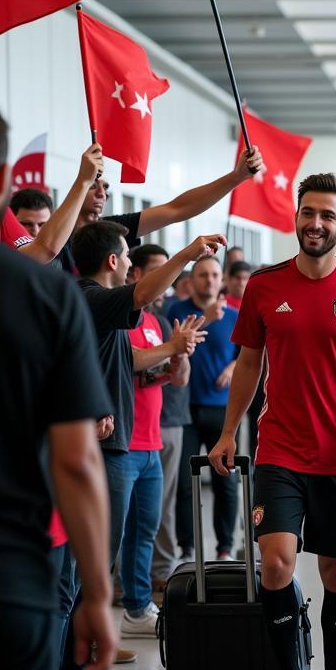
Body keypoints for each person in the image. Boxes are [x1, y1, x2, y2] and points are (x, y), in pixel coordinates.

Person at [0, 92, 116, 670]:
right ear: (0, 183)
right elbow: (78, 461)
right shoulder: (43, 294)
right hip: (5, 582)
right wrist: (98, 593)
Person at [208, 173, 336, 670]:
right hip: (279, 451)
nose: (315, 223)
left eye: (327, 216)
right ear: (296, 215)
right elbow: (248, 365)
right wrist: (227, 432)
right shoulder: (264, 287)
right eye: (307, 212)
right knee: (277, 563)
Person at [70, 223, 213, 660]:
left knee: (132, 536)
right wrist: (189, 252)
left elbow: (124, 363)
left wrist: (173, 355)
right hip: (111, 447)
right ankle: (78, 652)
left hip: (130, 438)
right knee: (97, 552)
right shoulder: (90, 296)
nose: (132, 265)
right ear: (113, 260)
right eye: (128, 257)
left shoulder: (109, 309)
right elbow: (137, 305)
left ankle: (94, 639)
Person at [55, 148, 263, 274]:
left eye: (106, 187)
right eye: (93, 185)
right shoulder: (53, 238)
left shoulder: (113, 231)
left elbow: (176, 209)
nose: (103, 193)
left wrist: (235, 177)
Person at [125, 245, 193, 598]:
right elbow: (129, 360)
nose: (166, 280)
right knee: (115, 528)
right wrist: (171, 349)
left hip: (152, 437)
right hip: (121, 439)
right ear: (135, 274)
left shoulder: (158, 321)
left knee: (147, 526)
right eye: (159, 271)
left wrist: (179, 354)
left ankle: (137, 601)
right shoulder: (118, 315)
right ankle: (105, 597)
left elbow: (174, 377)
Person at [168, 258, 240, 562]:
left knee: (226, 482)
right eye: (203, 275)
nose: (209, 280)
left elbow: (250, 355)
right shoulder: (177, 312)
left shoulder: (235, 316)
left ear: (221, 278)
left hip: (222, 410)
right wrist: (206, 318)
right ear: (191, 280)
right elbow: (174, 344)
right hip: (184, 409)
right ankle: (187, 547)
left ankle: (224, 547)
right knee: (185, 483)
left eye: (214, 275)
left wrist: (233, 368)